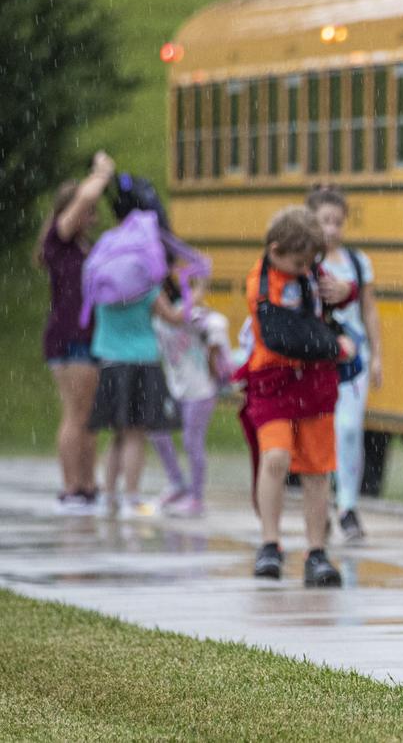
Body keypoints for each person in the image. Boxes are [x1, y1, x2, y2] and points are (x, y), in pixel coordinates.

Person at [242, 206, 354, 587]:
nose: (306, 268)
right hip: (273, 382)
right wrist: (333, 345)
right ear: (275, 250)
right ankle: (270, 544)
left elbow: (331, 302)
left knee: (318, 470)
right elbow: (283, 336)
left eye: (312, 261)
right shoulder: (260, 282)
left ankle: (316, 551)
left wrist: (345, 291)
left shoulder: (311, 272)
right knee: (275, 458)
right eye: (299, 261)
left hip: (315, 386)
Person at [35, 151, 114, 514]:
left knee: (89, 416)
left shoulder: (83, 246)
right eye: (87, 210)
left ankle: (87, 484)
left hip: (89, 336)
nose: (92, 215)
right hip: (70, 337)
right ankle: (72, 487)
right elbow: (83, 198)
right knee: (76, 412)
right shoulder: (60, 240)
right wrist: (100, 174)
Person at [306, 187, 382, 542]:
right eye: (325, 221)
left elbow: (369, 308)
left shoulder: (356, 262)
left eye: (338, 222)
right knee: (321, 432)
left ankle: (348, 505)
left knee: (349, 429)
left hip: (353, 360)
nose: (332, 229)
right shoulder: (304, 263)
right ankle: (321, 506)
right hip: (317, 358)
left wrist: (377, 354)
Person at [89, 267, 184, 519]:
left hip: (109, 362)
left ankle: (109, 496)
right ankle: (132, 498)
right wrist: (195, 295)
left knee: (118, 434)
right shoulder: (145, 289)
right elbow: (174, 317)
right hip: (141, 362)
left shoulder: (102, 285)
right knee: (135, 434)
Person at [149, 275, 233, 518]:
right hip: (175, 387)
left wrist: (213, 364)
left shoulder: (191, 316)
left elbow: (217, 325)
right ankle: (177, 483)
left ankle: (196, 497)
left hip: (200, 389)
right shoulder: (157, 320)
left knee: (191, 442)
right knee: (156, 430)